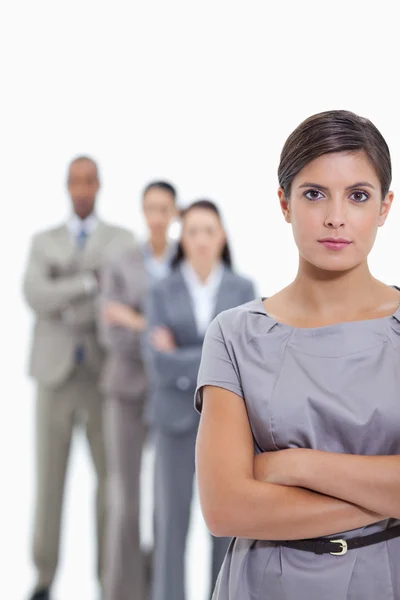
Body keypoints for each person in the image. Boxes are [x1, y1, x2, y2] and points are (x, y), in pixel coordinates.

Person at [194, 110, 400, 599]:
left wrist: (295, 465)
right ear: (284, 203)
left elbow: (253, 493)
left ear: (385, 206)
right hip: (266, 583)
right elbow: (226, 508)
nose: (335, 216)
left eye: (358, 195)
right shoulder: (234, 335)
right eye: (314, 194)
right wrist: (385, 497)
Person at [23, 156, 134, 600]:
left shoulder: (122, 240)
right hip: (54, 375)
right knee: (49, 479)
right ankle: (44, 576)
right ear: (67, 186)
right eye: (75, 181)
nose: (82, 188)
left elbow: (119, 296)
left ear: (99, 185)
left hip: (101, 376)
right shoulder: (42, 241)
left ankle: (109, 577)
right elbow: (34, 293)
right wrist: (87, 285)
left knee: (111, 484)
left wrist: (64, 293)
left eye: (89, 181)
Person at [146, 200, 256, 600]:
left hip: (227, 427)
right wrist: (215, 358)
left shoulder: (242, 289)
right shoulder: (161, 288)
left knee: (224, 528)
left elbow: (247, 361)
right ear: (183, 238)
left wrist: (182, 355)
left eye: (209, 231)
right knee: (170, 525)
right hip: (173, 424)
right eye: (192, 231)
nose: (202, 240)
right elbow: (157, 363)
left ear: (221, 236)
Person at [98, 180, 178, 600]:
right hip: (125, 390)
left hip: (171, 395)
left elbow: (192, 332)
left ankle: (159, 585)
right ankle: (122, 591)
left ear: (175, 212)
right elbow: (108, 330)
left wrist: (134, 318)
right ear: (143, 212)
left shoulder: (188, 262)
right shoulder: (121, 261)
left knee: (166, 500)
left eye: (165, 208)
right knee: (124, 501)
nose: (157, 216)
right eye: (151, 208)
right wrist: (155, 332)